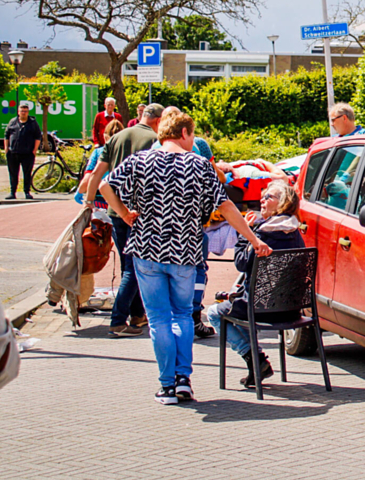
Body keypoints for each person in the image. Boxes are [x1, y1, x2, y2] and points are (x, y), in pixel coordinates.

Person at [99, 111, 272, 405]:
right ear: (183, 133)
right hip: (184, 251)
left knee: (158, 319)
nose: (193, 141)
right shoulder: (199, 165)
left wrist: (125, 213)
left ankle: (167, 385)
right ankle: (183, 380)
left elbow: (104, 185)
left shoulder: (139, 161)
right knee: (182, 315)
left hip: (147, 249)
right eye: (192, 135)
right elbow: (226, 206)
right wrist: (254, 239)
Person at [206, 180, 304, 389]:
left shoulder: (263, 234)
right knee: (233, 302)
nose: (262, 200)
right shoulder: (296, 233)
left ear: (283, 203)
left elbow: (241, 263)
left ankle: (254, 358)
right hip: (291, 310)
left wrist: (245, 233)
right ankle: (257, 361)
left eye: (268, 197)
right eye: (262, 196)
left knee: (214, 313)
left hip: (260, 309)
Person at [84, 103, 165, 337]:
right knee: (134, 267)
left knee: (128, 265)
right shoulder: (155, 140)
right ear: (158, 121)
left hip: (115, 211)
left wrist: (89, 202)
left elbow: (97, 173)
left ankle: (137, 314)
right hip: (138, 213)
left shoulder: (117, 137)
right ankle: (118, 320)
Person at [150, 106, 219, 339]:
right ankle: (193, 316)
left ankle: (169, 323)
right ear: (184, 130)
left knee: (161, 278)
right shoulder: (198, 147)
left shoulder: (152, 150)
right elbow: (215, 182)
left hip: (157, 230)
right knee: (197, 270)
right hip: (190, 228)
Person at [76, 119, 125, 209]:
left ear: (105, 136)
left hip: (100, 202)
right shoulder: (129, 152)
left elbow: (88, 180)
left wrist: (79, 192)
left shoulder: (98, 152)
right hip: (122, 202)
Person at [4, 101, 42, 200]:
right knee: (13, 173)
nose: (23, 113)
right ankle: (12, 192)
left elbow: (38, 136)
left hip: (27, 153)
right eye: (22, 111)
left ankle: (27, 192)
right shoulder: (13, 122)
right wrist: (6, 148)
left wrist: (34, 150)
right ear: (18, 112)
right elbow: (6, 135)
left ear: (28, 112)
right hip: (13, 152)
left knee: (27, 173)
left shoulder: (32, 123)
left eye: (25, 111)